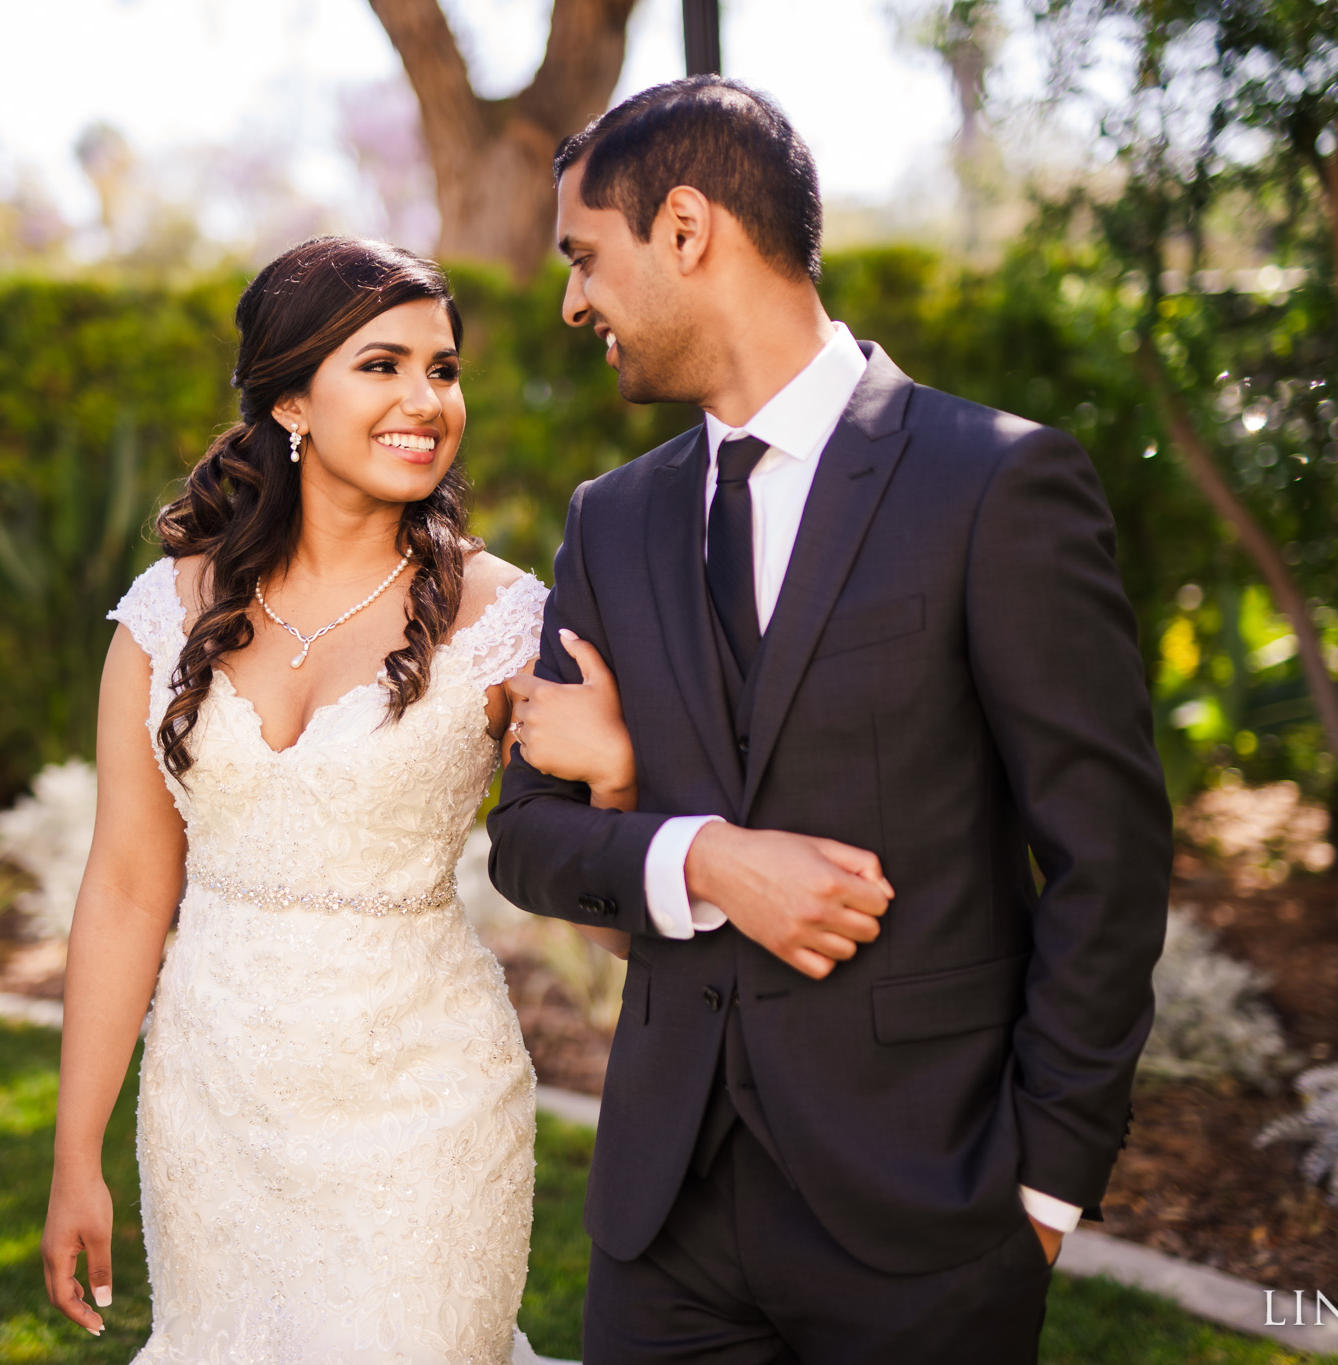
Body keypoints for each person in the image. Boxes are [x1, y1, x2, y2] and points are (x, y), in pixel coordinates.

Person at [488, 77, 1172, 1363]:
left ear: (685, 228)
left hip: (928, 1218)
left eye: (585, 257)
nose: (572, 300)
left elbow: (1109, 858)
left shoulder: (994, 484)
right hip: (666, 1224)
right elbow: (525, 838)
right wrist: (693, 854)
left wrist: (1041, 1190)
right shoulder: (611, 520)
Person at [40, 236, 617, 1363]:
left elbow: (591, 866)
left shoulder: (505, 618)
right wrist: (76, 1153)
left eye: (443, 370)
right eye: (383, 366)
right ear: (292, 400)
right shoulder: (167, 615)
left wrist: (618, 770)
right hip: (212, 1101)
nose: (424, 400)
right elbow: (122, 890)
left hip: (426, 1103)